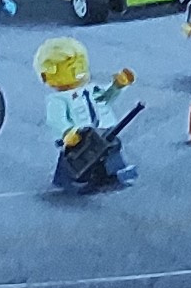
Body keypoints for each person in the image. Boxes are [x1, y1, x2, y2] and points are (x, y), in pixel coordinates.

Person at [38, 36, 137, 192]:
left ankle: (113, 174)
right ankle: (67, 180)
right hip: (79, 135)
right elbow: (56, 119)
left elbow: (105, 98)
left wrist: (117, 86)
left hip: (101, 129)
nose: (79, 72)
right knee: (73, 159)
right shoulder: (58, 99)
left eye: (80, 66)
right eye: (72, 68)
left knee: (110, 148)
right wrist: (67, 132)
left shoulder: (91, 89)